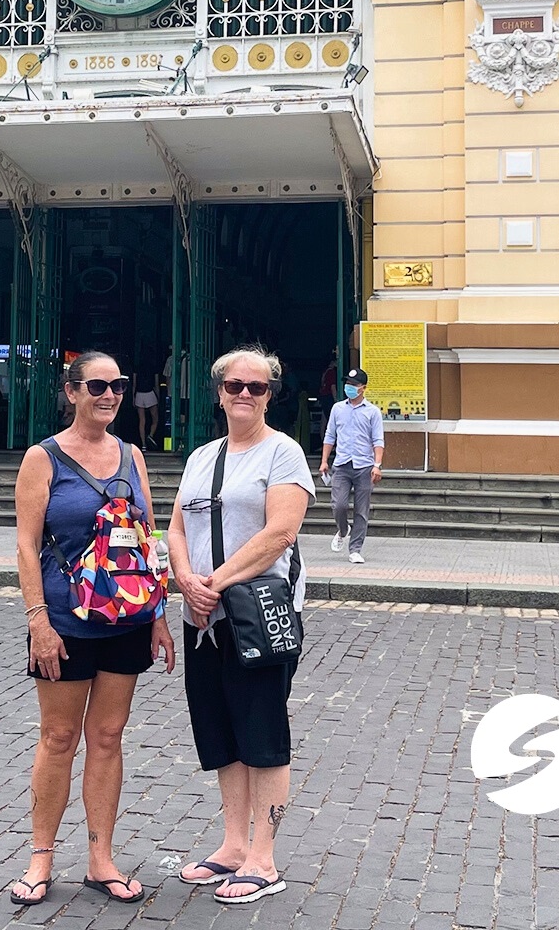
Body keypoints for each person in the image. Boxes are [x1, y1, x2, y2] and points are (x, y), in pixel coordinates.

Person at [9, 351, 174, 907]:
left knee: (108, 737)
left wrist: (157, 616)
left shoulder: (131, 455)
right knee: (59, 738)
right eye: (98, 386)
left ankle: (101, 858)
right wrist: (38, 622)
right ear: (73, 391)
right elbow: (26, 548)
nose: (110, 395)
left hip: (125, 618)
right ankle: (40, 858)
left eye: (119, 386)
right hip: (63, 620)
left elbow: (146, 541)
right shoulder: (43, 457)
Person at [167, 346, 315, 905]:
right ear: (220, 391)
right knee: (220, 730)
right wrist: (186, 579)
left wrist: (215, 583)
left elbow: (280, 533)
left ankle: (264, 858)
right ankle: (232, 845)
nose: (244, 395)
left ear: (271, 394)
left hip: (258, 614)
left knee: (262, 730)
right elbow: (177, 527)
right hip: (201, 613)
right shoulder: (202, 456)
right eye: (235, 386)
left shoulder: (285, 455)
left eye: (256, 387)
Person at [321, 367, 385, 564]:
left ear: (363, 388)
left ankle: (355, 548)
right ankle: (342, 530)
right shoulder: (338, 408)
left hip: (364, 465)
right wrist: (324, 461)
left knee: (361, 510)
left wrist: (377, 464)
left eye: (354, 385)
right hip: (341, 464)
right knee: (338, 505)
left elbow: (378, 440)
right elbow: (330, 435)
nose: (349, 387)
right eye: (347, 384)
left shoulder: (372, 412)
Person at [133, 360, 161, 450]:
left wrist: (133, 397)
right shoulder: (154, 367)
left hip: (139, 394)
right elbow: (156, 385)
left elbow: (134, 385)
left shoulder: (136, 367)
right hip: (150, 393)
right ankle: (151, 435)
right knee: (155, 419)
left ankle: (143, 444)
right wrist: (158, 397)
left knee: (142, 421)